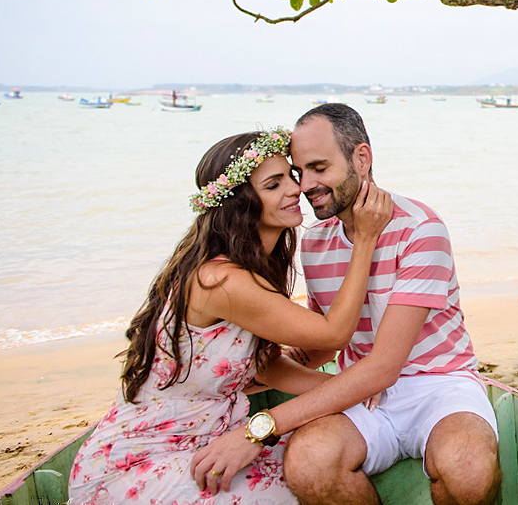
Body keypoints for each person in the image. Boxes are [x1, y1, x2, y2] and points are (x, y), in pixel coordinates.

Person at [195, 103, 501, 505]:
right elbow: (329, 334)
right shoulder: (316, 241)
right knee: (308, 462)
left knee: (468, 467)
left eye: (319, 168)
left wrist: (263, 427)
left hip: (437, 384)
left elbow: (386, 365)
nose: (304, 185)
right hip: (361, 390)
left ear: (361, 158)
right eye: (299, 172)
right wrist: (271, 365)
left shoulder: (421, 230)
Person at [67, 128, 392, 505]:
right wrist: (366, 240)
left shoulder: (251, 266)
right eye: (274, 185)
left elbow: (266, 367)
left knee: (320, 462)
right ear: (242, 204)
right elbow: (333, 334)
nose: (296, 189)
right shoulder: (222, 281)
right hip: (147, 454)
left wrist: (342, 392)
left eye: (291, 175)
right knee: (302, 485)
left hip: (207, 435)